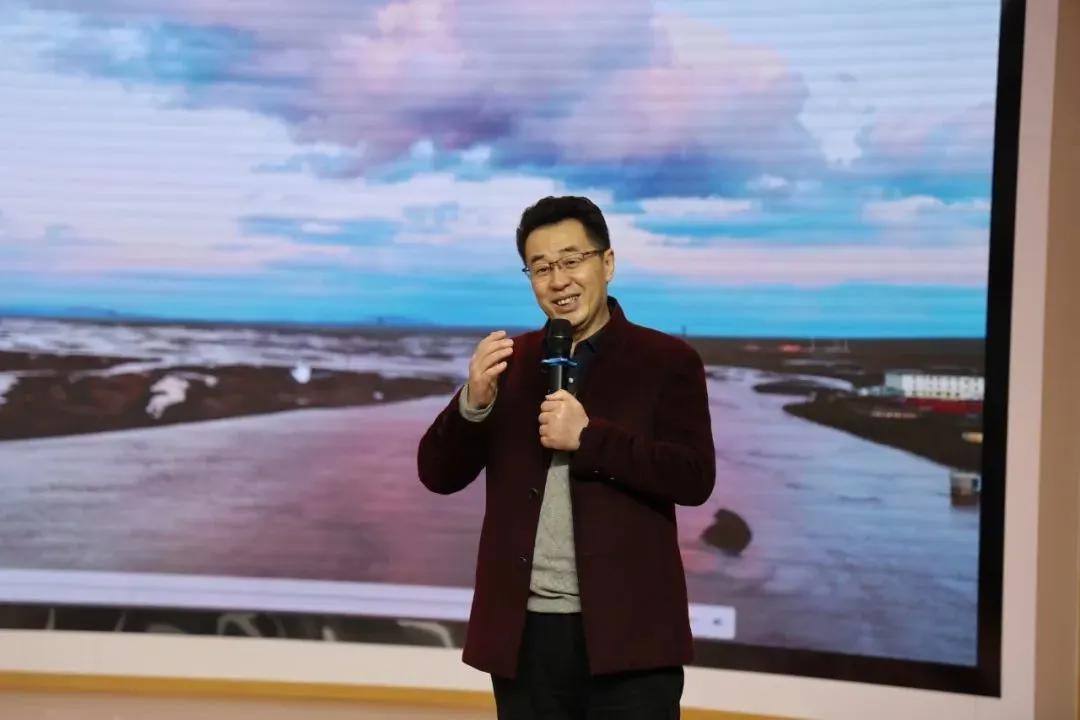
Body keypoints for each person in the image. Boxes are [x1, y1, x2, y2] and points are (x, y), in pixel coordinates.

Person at [417, 195, 716, 719]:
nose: (558, 281)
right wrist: (473, 402)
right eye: (541, 268)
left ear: (607, 263)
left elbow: (693, 478)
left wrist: (589, 438)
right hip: (524, 637)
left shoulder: (667, 361)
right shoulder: (511, 363)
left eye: (572, 260)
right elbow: (437, 474)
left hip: (630, 638)